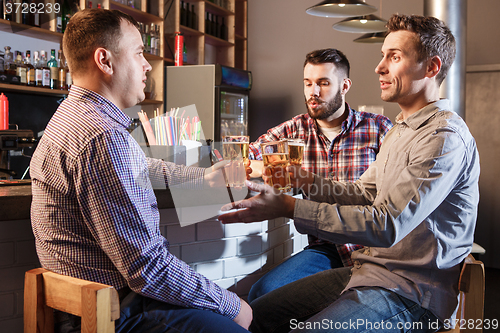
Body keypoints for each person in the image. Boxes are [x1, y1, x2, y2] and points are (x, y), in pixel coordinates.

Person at [219, 13, 479, 333]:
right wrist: (306, 181)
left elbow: (386, 224)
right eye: (382, 55)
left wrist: (289, 206)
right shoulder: (402, 129)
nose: (379, 67)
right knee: (253, 315)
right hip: (367, 271)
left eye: (394, 57)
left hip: (410, 293)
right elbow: (364, 193)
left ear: (432, 67)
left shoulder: (443, 136)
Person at [30, 9, 252, 333]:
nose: (148, 65)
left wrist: (203, 178)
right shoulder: (102, 137)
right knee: (243, 317)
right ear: (105, 61)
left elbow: (141, 166)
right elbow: (147, 269)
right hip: (117, 314)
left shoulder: (74, 116)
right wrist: (233, 305)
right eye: (138, 53)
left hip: (92, 305)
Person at [246, 48, 392, 302]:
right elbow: (245, 157)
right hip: (326, 249)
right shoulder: (294, 130)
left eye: (323, 83)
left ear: (344, 85)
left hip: (374, 249)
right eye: (308, 83)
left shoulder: (377, 127)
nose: (313, 92)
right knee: (262, 293)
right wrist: (272, 167)